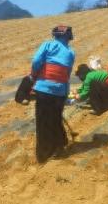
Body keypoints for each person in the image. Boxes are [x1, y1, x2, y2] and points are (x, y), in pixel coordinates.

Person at [31, 25, 75, 163]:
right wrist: (66, 92)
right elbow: (67, 75)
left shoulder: (48, 45)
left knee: (43, 121)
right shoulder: (70, 52)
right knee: (56, 119)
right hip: (60, 91)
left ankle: (45, 153)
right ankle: (60, 145)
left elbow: (36, 61)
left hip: (44, 88)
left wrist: (33, 75)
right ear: (68, 37)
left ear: (55, 35)